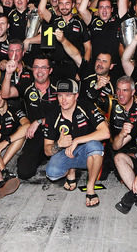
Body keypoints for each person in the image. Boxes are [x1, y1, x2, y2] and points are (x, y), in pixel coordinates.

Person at [42, 79, 110, 207]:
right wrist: (58, 144)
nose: (64, 100)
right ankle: (71, 170)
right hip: (67, 153)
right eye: (60, 96)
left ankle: (90, 187)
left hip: (86, 151)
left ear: (76, 96)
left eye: (68, 95)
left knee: (95, 147)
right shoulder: (52, 115)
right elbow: (47, 150)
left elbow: (105, 133)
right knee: (52, 173)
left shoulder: (86, 105)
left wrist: (77, 140)